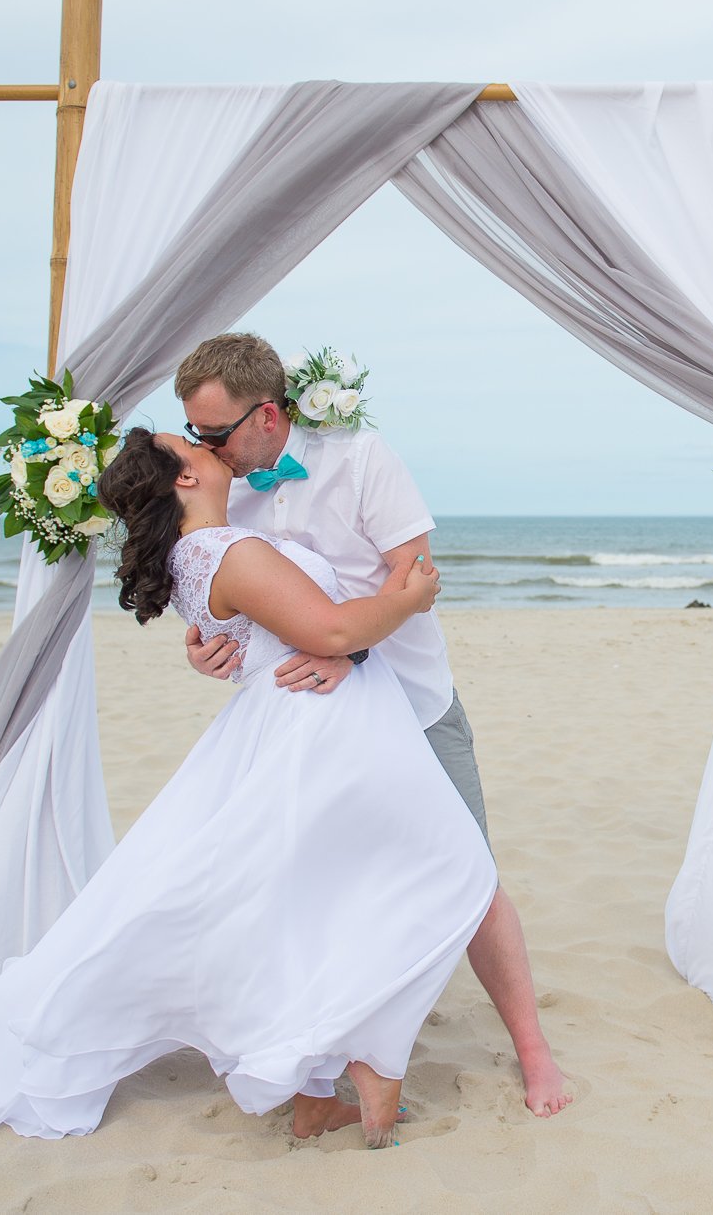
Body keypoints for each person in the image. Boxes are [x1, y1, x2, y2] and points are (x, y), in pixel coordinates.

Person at [0, 429, 495, 1148]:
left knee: (329, 899)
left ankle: (325, 1090)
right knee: (450, 868)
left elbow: (283, 628)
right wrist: (413, 598)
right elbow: (333, 627)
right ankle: (370, 1059)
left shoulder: (208, 548)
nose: (204, 442)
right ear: (184, 478)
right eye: (188, 441)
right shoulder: (226, 552)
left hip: (311, 721)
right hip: (329, 728)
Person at [174, 334, 573, 1117]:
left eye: (214, 433)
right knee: (315, 888)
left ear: (269, 415)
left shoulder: (359, 456)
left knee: (471, 876)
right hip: (303, 724)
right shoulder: (225, 488)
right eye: (193, 432)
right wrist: (206, 649)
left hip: (414, 699)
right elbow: (231, 593)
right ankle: (323, 1065)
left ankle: (533, 1049)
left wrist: (350, 651)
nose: (203, 448)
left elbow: (414, 573)